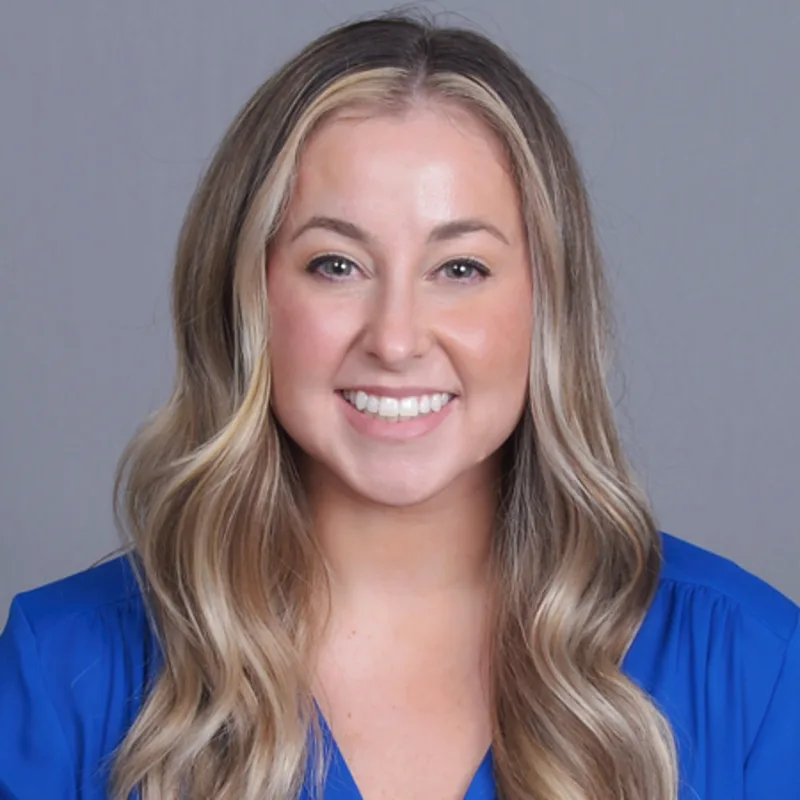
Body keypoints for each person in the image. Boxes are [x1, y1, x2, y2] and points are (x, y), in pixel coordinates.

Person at [1, 11, 798, 800]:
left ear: (546, 303)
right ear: (247, 295)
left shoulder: (753, 667)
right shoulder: (65, 669)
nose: (395, 337)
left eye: (460, 269)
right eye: (337, 263)